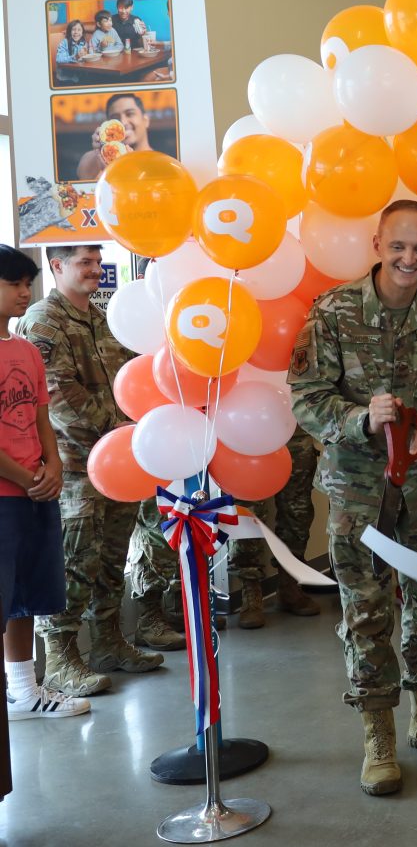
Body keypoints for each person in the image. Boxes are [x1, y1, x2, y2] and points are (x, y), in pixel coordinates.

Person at [288, 200, 417, 796]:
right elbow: (307, 399)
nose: (409, 259)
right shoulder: (334, 311)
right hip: (359, 493)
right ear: (376, 244)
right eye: (398, 246)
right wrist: (358, 419)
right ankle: (378, 733)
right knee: (366, 612)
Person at [16, 245, 175, 699]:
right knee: (75, 559)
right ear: (57, 266)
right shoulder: (45, 321)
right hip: (74, 466)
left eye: (97, 261)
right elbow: (60, 399)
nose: (95, 269)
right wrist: (124, 428)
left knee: (111, 555)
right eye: (84, 262)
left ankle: (108, 642)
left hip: (121, 461)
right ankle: (62, 656)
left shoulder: (104, 316)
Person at [0, 246, 88, 721]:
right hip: (7, 493)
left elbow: (40, 417)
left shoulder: (26, 350)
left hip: (35, 488)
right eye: (13, 283)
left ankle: (25, 691)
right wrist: (27, 477)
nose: (24, 292)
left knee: (27, 596)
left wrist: (52, 466)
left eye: (26, 283)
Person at [228, 428, 322, 627]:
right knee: (248, 514)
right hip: (247, 432)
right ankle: (250, 592)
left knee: (298, 512)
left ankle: (290, 584)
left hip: (293, 431)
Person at [78, 92, 154, 180]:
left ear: (146, 120)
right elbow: (85, 173)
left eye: (130, 114)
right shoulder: (98, 161)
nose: (123, 122)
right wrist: (99, 150)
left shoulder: (160, 162)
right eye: (115, 117)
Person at [54, 20, 88, 84]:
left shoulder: (83, 43)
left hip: (79, 76)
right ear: (69, 32)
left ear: (82, 32)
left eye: (79, 30)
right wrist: (75, 57)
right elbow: (59, 59)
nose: (76, 32)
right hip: (65, 78)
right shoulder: (64, 42)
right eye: (73, 30)